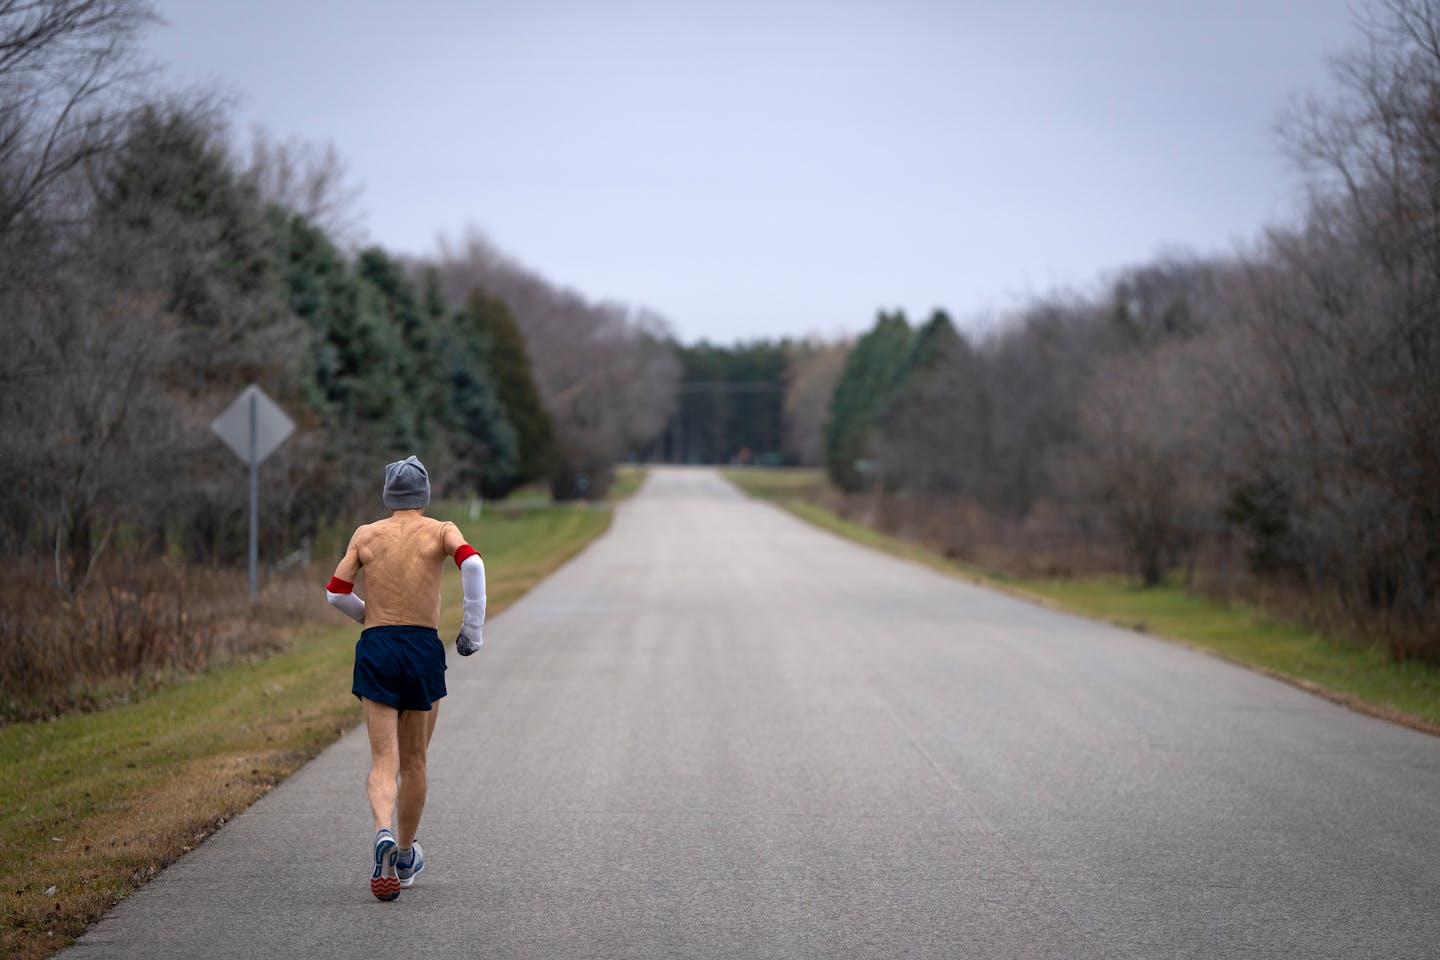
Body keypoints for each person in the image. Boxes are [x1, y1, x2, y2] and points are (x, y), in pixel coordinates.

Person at [325, 455, 486, 901]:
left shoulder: (366, 534)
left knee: (383, 762)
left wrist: (370, 617)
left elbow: (335, 594)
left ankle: (381, 831)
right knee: (414, 762)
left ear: (388, 497)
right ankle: (405, 852)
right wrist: (472, 630)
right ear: (424, 495)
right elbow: (472, 565)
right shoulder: (439, 530)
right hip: (420, 647)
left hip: (376, 646)